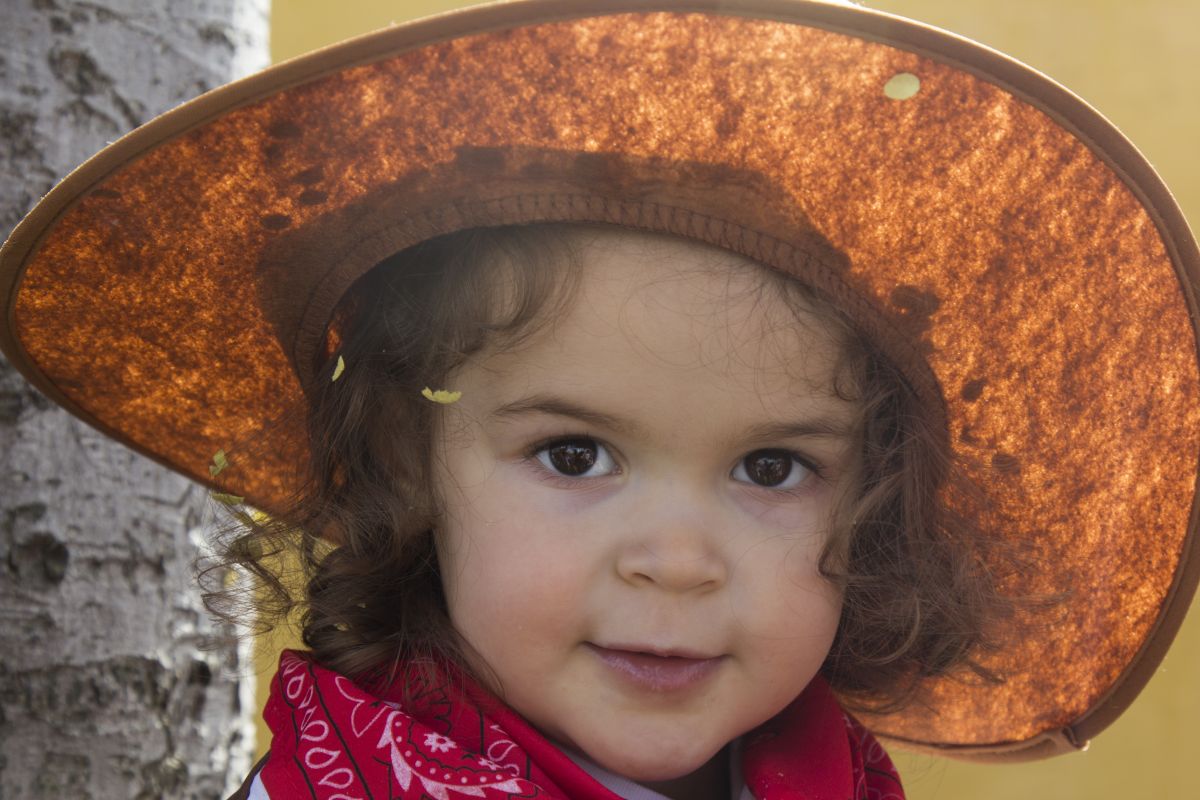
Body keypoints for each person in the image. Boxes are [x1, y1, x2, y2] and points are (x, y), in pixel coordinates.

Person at [2, 2, 1198, 799]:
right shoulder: (344, 779)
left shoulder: (830, 776)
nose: (677, 561)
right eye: (575, 454)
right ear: (407, 465)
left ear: (875, 504)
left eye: (773, 467)